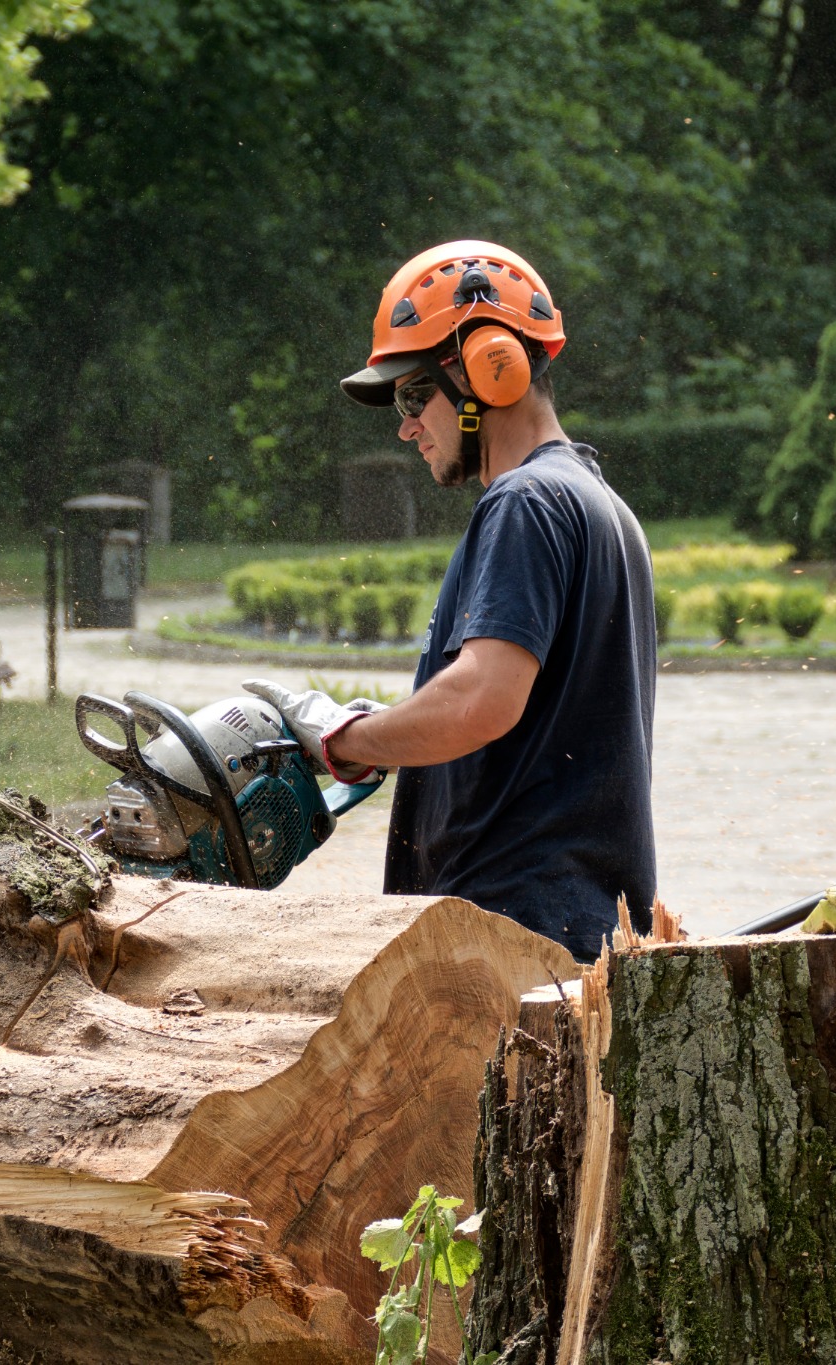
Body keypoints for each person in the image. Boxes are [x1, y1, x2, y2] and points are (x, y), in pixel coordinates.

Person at [245, 240, 657, 960]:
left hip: (510, 934)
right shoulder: (598, 505)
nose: (405, 424)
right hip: (559, 925)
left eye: (412, 394)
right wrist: (378, 727)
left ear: (489, 368)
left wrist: (346, 743)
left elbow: (483, 698)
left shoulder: (526, 501)